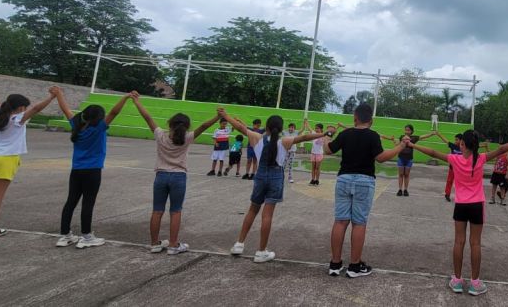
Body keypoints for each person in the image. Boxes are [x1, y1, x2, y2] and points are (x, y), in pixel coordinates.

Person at [411, 131, 508, 295]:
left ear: (462, 145)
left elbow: (432, 152)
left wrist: (412, 145)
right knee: (475, 243)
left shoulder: (455, 159)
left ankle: (457, 281)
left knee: (458, 242)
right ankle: (475, 283)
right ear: (475, 146)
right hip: (476, 206)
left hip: (461, 205)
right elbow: (502, 149)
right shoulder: (480, 158)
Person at [222, 112, 325, 262]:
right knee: (267, 215)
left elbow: (239, 127)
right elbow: (304, 137)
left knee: (252, 209)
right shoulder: (284, 141)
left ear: (267, 127)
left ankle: (239, 244)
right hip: (276, 177)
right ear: (281, 128)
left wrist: (225, 116)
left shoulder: (257, 138)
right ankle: (261, 251)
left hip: (260, 176)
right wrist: (323, 134)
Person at [324, 103, 406, 278]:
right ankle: (354, 266)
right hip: (364, 181)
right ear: (371, 120)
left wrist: (328, 134)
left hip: (344, 179)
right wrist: (400, 147)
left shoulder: (345, 134)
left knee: (340, 221)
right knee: (359, 223)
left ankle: (335, 264)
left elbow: (328, 149)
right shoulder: (373, 136)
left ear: (355, 118)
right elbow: (381, 158)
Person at [132, 94, 218, 255]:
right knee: (175, 211)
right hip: (178, 177)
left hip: (161, 176)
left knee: (157, 210)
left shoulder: (160, 135)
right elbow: (204, 125)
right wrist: (218, 116)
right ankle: (173, 245)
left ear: (170, 124)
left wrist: (137, 101)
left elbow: (147, 117)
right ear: (187, 126)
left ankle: (154, 244)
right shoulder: (187, 137)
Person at [52, 88, 133, 249]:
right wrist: (125, 98)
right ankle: (87, 236)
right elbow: (114, 112)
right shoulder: (99, 127)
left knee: (71, 201)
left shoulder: (76, 125)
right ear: (98, 118)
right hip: (93, 171)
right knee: (88, 203)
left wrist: (59, 94)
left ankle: (65, 235)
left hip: (76, 170)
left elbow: (65, 109)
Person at [0, 87, 56, 239]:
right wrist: (51, 98)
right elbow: (36, 109)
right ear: (20, 108)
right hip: (7, 159)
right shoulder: (17, 119)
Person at [381, 124, 433, 197]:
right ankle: (400, 189)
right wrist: (393, 140)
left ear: (411, 131)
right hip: (401, 158)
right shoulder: (402, 137)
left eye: (408, 130)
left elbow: (423, 136)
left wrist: (432, 134)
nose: (407, 131)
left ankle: (405, 190)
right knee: (400, 174)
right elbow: (397, 145)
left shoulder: (414, 138)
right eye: (406, 130)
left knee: (406, 175)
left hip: (409, 159)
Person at [435, 132, 463, 201]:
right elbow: (445, 140)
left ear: (461, 140)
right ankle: (447, 194)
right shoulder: (453, 146)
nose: (455, 141)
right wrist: (439, 134)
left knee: (460, 183)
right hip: (452, 168)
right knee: (449, 181)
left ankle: (460, 195)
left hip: (460, 169)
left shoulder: (464, 148)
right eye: (455, 140)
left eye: (457, 140)